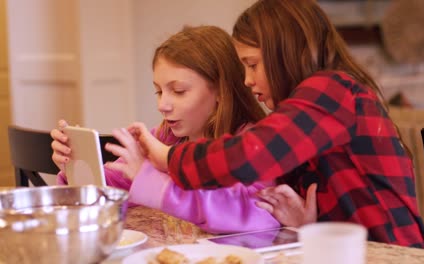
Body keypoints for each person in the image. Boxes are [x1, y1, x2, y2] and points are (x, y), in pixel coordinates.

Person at [119, 0, 424, 249]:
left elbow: (249, 157)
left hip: (391, 254)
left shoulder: (333, 90)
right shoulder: (297, 119)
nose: (246, 80)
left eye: (253, 65)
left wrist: (168, 159)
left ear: (285, 53)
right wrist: (305, 225)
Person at [50, 25, 280, 234]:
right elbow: (109, 189)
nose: (163, 105)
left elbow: (256, 216)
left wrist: (147, 177)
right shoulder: (166, 138)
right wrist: (76, 165)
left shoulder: (252, 144)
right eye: (159, 91)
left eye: (179, 91)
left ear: (221, 90)